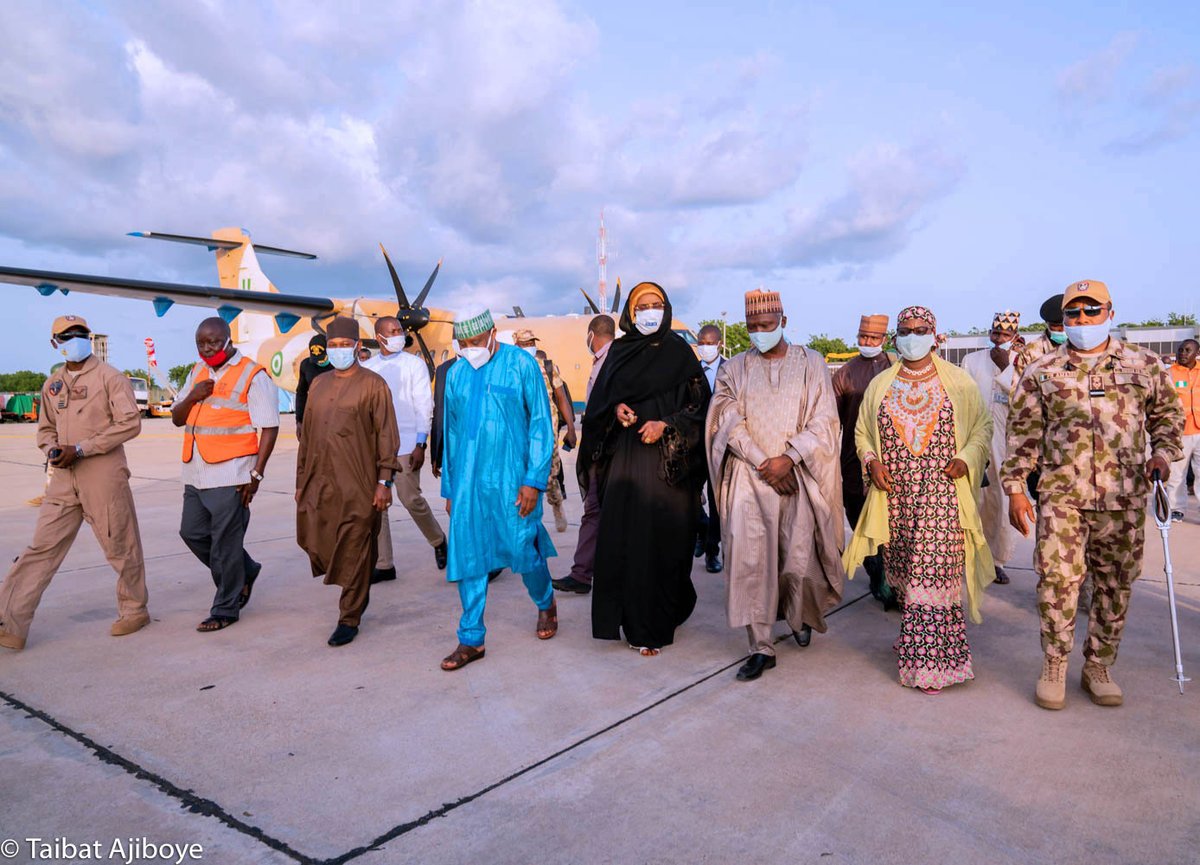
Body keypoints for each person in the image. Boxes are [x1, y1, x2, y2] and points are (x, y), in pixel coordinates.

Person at [1004, 281, 1183, 710]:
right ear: (1063, 319)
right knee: (1056, 584)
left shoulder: (1145, 365)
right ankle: (1054, 665)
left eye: (1091, 311)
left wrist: (1161, 453)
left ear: (1110, 312)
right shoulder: (1042, 370)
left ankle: (1099, 666)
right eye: (1073, 314)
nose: (1082, 321)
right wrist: (1015, 489)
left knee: (1115, 586)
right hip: (1062, 498)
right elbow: (1022, 435)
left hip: (1124, 499)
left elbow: (1167, 417)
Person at [843, 305, 994, 694]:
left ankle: (930, 664)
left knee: (933, 574)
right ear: (896, 336)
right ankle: (914, 639)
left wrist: (965, 457)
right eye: (905, 330)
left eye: (920, 329)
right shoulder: (881, 384)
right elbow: (861, 433)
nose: (912, 336)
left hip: (943, 497)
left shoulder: (957, 382)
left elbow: (982, 426)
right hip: (895, 499)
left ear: (934, 333)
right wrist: (872, 461)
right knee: (907, 576)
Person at [707, 290, 846, 681]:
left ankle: (798, 616)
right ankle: (761, 647)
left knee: (798, 560)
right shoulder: (732, 368)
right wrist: (762, 461)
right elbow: (726, 419)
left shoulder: (812, 363)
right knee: (751, 564)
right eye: (752, 327)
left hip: (797, 477)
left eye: (766, 326)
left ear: (783, 321)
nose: (758, 333)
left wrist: (790, 458)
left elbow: (823, 419)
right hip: (749, 480)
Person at [0, 315, 149, 650]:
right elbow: (45, 428)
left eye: (81, 334)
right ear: (55, 343)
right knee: (41, 548)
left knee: (120, 544)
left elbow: (130, 423)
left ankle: (134, 609)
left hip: (103, 473)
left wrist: (82, 448)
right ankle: (11, 621)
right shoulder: (52, 384)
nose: (75, 339)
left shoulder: (111, 378)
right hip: (63, 478)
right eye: (66, 336)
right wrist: (52, 448)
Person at [581, 282, 710, 656]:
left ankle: (664, 614)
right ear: (631, 314)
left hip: (671, 466)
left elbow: (701, 408)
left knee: (669, 541)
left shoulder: (680, 353)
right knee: (628, 541)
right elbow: (600, 407)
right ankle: (637, 625)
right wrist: (617, 409)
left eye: (657, 304)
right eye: (643, 306)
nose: (650, 311)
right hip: (627, 461)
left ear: (666, 308)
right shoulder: (619, 352)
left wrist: (666, 424)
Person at [439, 307, 559, 670]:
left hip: (514, 480)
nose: (469, 348)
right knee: (469, 555)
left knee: (523, 550)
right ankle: (471, 638)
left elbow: (540, 424)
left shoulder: (521, 365)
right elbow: (452, 434)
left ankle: (545, 601)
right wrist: (450, 488)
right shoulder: (456, 374)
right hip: (469, 483)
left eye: (475, 342)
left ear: (492, 333)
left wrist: (533, 480)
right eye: (463, 343)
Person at [295, 316, 399, 647]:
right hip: (321, 481)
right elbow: (307, 436)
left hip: (360, 483)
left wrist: (385, 481)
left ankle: (349, 615)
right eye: (333, 346)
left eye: (344, 345)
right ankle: (355, 587)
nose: (338, 350)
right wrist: (301, 481)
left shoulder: (373, 385)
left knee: (356, 545)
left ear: (357, 346)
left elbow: (387, 436)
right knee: (320, 539)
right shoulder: (319, 384)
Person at [172, 317, 280, 632]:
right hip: (195, 470)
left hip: (232, 473)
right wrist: (193, 396)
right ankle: (245, 570)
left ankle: (225, 608)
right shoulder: (196, 372)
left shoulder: (252, 374)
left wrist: (256, 475)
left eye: (213, 342)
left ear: (228, 339)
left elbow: (269, 427)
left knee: (225, 543)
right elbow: (178, 419)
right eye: (201, 343)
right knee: (191, 533)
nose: (207, 349)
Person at [363, 316, 447, 580]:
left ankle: (438, 540)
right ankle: (384, 564)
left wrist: (422, 443)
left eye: (400, 330)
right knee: (378, 503)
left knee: (410, 498)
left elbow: (424, 404)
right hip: (375, 446)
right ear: (380, 337)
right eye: (394, 331)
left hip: (408, 442)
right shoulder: (369, 367)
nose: (400, 334)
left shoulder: (414, 364)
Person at [553, 314, 616, 595]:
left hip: (605, 453)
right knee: (595, 511)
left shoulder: (611, 361)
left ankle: (584, 573)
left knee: (596, 510)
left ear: (592, 334)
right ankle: (583, 573)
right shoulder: (602, 360)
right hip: (598, 451)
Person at [832, 313, 892, 606]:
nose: (867, 342)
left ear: (884, 339)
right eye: (863, 337)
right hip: (853, 459)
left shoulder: (896, 367)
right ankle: (875, 570)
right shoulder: (845, 373)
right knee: (858, 516)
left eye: (873, 338)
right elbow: (831, 419)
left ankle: (891, 577)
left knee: (890, 521)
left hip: (891, 459)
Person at [961, 311, 1022, 584]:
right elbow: (960, 398)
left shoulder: (1021, 362)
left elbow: (1023, 400)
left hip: (1004, 442)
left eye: (1006, 335)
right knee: (972, 500)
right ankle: (967, 556)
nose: (999, 340)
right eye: (996, 334)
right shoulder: (972, 360)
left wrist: (1007, 366)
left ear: (1015, 337)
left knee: (999, 501)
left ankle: (995, 560)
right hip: (973, 439)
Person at [514, 328, 577, 533]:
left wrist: (570, 428)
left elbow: (561, 398)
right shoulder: (511, 370)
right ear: (516, 346)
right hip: (521, 434)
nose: (529, 347)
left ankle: (557, 504)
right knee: (523, 477)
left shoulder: (547, 368)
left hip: (547, 433)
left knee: (550, 476)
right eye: (524, 344)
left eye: (531, 342)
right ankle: (529, 520)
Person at [694, 324, 725, 574]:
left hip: (719, 444)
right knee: (689, 494)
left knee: (716, 501)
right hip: (694, 443)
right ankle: (700, 527)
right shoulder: (689, 371)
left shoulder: (732, 369)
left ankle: (712, 551)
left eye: (708, 343)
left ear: (719, 344)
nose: (704, 347)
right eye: (700, 342)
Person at [1165, 338, 1200, 521]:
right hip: (1179, 432)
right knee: (1177, 474)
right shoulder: (1169, 374)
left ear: (1196, 353)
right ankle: (1176, 508)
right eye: (1180, 350)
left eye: (1187, 350)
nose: (1183, 353)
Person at [1013, 294, 1066, 380]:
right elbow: (1017, 389)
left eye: (1065, 325)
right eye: (1056, 326)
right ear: (1046, 323)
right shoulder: (1029, 353)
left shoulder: (1085, 347)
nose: (1062, 330)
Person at [294, 334, 331, 441]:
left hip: (335, 414)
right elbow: (301, 393)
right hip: (315, 414)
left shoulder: (336, 365)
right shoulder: (306, 365)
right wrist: (299, 420)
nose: (319, 362)